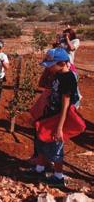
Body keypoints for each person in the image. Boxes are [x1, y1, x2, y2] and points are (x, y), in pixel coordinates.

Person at [27, 48, 80, 187]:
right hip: (49, 115)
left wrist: (59, 127)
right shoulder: (57, 74)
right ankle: (40, 169)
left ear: (62, 63)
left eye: (51, 65)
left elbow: (65, 104)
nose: (49, 68)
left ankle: (58, 176)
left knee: (56, 147)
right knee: (41, 141)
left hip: (58, 118)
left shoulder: (68, 78)